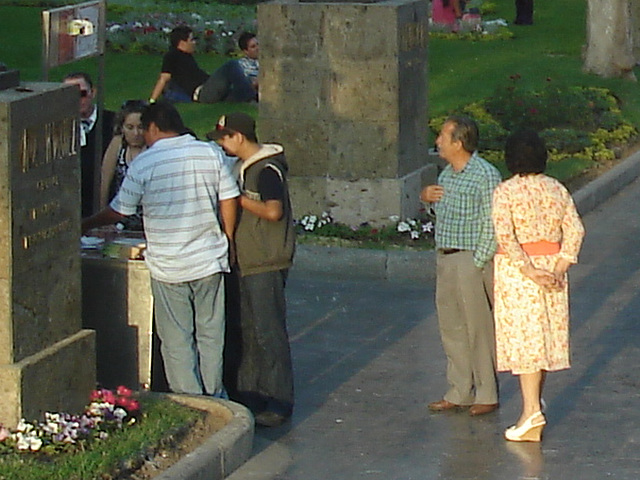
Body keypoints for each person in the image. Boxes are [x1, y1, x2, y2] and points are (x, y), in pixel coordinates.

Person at [82, 101, 240, 397]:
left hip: (169, 265)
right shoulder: (209, 152)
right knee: (211, 334)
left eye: (145, 129)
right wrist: (228, 238)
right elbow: (228, 198)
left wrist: (86, 224)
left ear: (154, 127)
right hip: (209, 259)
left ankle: (191, 400)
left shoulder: (146, 162)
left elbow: (120, 210)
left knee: (177, 338)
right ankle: (215, 394)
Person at [492, 129, 584, 442]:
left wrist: (530, 271)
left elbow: (506, 237)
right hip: (552, 269)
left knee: (526, 343)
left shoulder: (505, 192)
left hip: (520, 276)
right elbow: (575, 230)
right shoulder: (556, 189)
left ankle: (530, 412)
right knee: (542, 340)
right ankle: (535, 403)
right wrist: (558, 267)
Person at [207, 112, 295, 427]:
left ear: (238, 137)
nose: (222, 145)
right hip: (244, 261)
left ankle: (279, 400)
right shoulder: (239, 168)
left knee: (268, 331)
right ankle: (250, 395)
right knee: (246, 330)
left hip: (266, 260)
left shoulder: (267, 169)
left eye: (224, 138)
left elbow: (274, 211)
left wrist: (238, 200)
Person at [420, 115, 502, 416]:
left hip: (469, 258)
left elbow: (492, 222)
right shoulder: (448, 175)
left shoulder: (484, 175)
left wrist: (479, 260)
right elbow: (443, 214)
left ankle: (486, 392)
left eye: (443, 136)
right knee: (451, 326)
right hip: (446, 256)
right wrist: (427, 200)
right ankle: (459, 389)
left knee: (478, 328)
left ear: (459, 143)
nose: (438, 141)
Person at [149, 27, 258, 104]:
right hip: (202, 93)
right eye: (191, 40)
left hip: (208, 88)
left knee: (235, 91)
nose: (194, 42)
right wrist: (152, 101)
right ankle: (251, 97)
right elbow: (164, 78)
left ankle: (256, 97)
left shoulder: (186, 56)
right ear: (182, 43)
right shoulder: (172, 55)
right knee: (231, 65)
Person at [63, 72, 115, 217]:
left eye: (82, 94)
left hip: (108, 201)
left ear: (93, 92)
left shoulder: (114, 123)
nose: (77, 100)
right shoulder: (60, 128)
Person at [99, 100, 147, 230]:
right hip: (121, 217)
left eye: (141, 127)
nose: (136, 133)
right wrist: (104, 218)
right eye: (130, 127)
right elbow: (105, 180)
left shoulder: (153, 148)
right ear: (122, 128)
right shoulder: (118, 144)